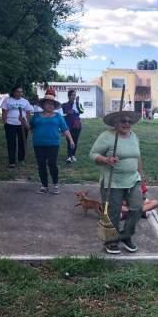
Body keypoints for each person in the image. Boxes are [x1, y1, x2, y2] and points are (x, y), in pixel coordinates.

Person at [89, 107, 144, 254]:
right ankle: (111, 241)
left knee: (137, 207)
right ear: (115, 123)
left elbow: (137, 157)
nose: (127, 124)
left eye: (129, 121)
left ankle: (126, 236)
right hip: (113, 180)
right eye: (123, 121)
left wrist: (140, 175)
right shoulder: (107, 136)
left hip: (133, 179)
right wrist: (106, 159)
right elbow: (93, 154)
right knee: (113, 211)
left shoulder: (134, 136)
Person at [29, 88, 75, 194]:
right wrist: (23, 122)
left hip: (53, 144)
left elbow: (65, 129)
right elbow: (30, 128)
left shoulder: (58, 116)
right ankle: (44, 186)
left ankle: (55, 184)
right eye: (48, 103)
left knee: (52, 164)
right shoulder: (36, 116)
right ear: (43, 105)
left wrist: (71, 140)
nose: (50, 106)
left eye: (52, 104)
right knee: (41, 165)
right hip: (38, 144)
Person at [0, 85, 32, 168]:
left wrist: (27, 123)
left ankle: (21, 159)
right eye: (18, 91)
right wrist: (5, 123)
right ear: (13, 92)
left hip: (22, 125)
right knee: (11, 142)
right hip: (10, 124)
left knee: (22, 142)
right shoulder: (7, 100)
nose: (19, 93)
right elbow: (4, 112)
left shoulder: (25, 101)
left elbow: (28, 113)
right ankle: (12, 161)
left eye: (21, 92)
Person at [61, 89, 84, 164]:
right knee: (69, 141)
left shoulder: (78, 104)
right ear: (69, 96)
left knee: (75, 141)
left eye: (74, 95)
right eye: (72, 95)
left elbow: (82, 111)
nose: (74, 96)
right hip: (68, 126)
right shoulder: (64, 105)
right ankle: (69, 156)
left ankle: (73, 155)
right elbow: (61, 115)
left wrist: (77, 103)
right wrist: (67, 113)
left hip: (77, 126)